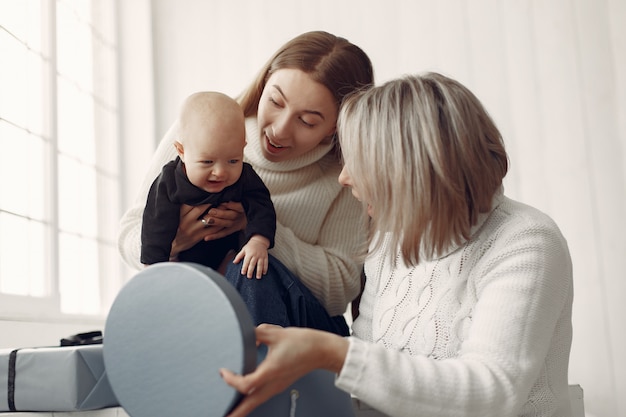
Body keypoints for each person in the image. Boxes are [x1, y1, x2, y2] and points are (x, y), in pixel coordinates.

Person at [220, 72, 574, 417]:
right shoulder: (389, 242)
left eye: (359, 162)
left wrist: (333, 353)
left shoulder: (526, 242)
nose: (344, 178)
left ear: (408, 169)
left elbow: (492, 393)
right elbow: (368, 381)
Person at [118, 31, 375, 334]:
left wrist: (257, 231)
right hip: (204, 306)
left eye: (307, 121)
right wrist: (172, 241)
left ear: (336, 127)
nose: (279, 130)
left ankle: (251, 374)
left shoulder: (346, 174)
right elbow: (129, 236)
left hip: (300, 325)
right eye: (276, 102)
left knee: (251, 270)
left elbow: (340, 290)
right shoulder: (200, 130)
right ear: (264, 83)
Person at [140, 91, 276, 279]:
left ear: (242, 148)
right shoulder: (170, 182)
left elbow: (263, 208)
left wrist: (258, 241)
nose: (220, 172)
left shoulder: (245, 177)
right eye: (207, 162)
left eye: (233, 161)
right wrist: (153, 266)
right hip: (180, 260)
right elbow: (154, 225)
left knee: (243, 269)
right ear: (181, 151)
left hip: (227, 257)